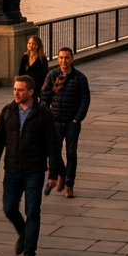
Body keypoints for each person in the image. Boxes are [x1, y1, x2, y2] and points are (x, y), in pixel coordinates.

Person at [0, 75, 62, 256]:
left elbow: (53, 145)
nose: (16, 93)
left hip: (34, 171)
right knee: (9, 208)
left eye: (20, 90)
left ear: (31, 92)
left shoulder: (43, 114)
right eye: (14, 89)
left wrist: (54, 173)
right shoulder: (8, 111)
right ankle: (23, 231)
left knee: (32, 212)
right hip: (11, 170)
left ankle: (29, 254)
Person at [40, 47, 90, 198]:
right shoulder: (52, 75)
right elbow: (44, 96)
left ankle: (69, 184)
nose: (63, 60)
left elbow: (85, 99)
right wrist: (47, 115)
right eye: (61, 58)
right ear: (57, 59)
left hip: (72, 122)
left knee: (71, 153)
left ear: (72, 59)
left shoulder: (80, 77)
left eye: (67, 58)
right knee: (54, 152)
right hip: (55, 120)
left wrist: (78, 117)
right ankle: (60, 174)